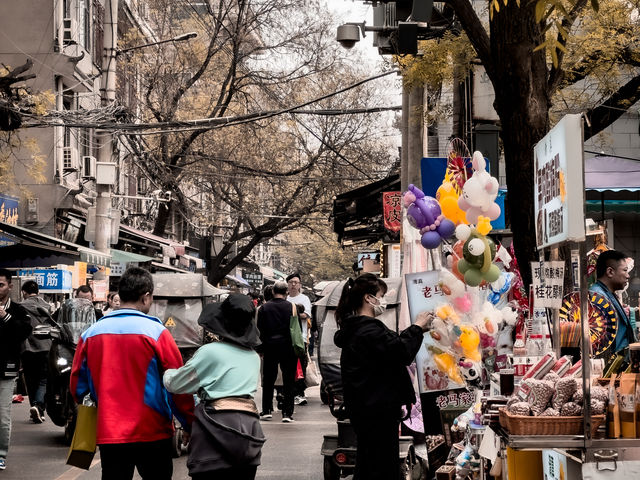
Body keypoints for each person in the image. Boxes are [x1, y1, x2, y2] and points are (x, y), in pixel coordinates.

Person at [70, 267, 194, 480]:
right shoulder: (157, 332)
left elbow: (77, 385)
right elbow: (178, 385)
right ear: (146, 297)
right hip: (153, 430)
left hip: (110, 432)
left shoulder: (91, 333)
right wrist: (189, 422)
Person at [333, 274, 431, 480]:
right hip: (377, 410)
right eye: (381, 295)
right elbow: (400, 351)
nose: (383, 300)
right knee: (380, 465)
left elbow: (391, 348)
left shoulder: (357, 329)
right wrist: (417, 327)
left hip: (366, 408)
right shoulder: (367, 330)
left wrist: (414, 331)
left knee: (369, 462)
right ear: (369, 298)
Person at [164, 294, 266, 480]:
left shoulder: (210, 352)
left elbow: (176, 384)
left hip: (214, 423)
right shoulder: (253, 357)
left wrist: (166, 372)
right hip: (249, 427)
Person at [0, 269, 32, 470]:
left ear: (10, 287)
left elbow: (24, 332)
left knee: (2, 417)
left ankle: (1, 454)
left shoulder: (18, 311)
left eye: (1, 285)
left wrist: (5, 317)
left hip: (6, 370)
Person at [257, 281, 297, 422]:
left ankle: (267, 410)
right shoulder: (291, 307)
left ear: (273, 291)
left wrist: (260, 349)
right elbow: (296, 328)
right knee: (288, 380)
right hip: (288, 346)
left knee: (268, 379)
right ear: (286, 292)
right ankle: (287, 413)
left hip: (269, 346)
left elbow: (259, 330)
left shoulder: (263, 308)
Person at [589, 249, 637, 355]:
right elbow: (600, 342)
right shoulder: (597, 298)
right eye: (625, 270)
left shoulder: (608, 294)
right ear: (610, 272)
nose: (628, 276)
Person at [20, 280, 54, 424]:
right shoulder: (47, 306)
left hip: (28, 348)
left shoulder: (20, 307)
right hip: (46, 347)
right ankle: (39, 405)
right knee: (43, 379)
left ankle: (35, 406)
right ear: (38, 292)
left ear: (24, 293)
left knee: (30, 379)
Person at [286, 273, 312, 405]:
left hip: (300, 338)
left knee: (301, 365)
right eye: (291, 282)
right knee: (288, 366)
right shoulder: (285, 299)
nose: (293, 284)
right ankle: (289, 392)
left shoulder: (304, 299)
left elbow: (306, 315)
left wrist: (291, 313)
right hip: (286, 338)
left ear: (300, 285)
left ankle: (300, 393)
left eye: (296, 282)